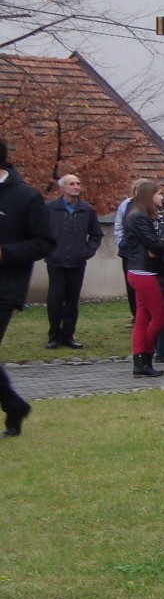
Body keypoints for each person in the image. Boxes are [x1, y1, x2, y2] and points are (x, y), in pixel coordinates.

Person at [0, 139, 54, 435]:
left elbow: (44, 242)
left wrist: (5, 253)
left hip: (5, 288)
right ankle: (15, 405)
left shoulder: (26, 198)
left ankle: (14, 406)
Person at [41, 172, 102, 350]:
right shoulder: (50, 208)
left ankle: (68, 335)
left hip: (77, 262)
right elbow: (40, 232)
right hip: (56, 261)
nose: (76, 187)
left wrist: (87, 252)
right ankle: (53, 335)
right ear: (62, 188)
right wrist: (48, 250)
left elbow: (96, 234)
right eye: (72, 184)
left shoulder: (87, 210)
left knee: (72, 300)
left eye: (78, 184)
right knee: (55, 299)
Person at [121, 179, 164, 378]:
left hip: (144, 269)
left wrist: (157, 246)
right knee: (160, 316)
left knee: (143, 317)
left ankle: (140, 360)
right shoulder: (138, 217)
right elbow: (155, 245)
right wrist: (163, 243)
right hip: (142, 271)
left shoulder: (150, 216)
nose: (161, 197)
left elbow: (155, 246)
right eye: (158, 193)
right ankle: (145, 355)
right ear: (149, 196)